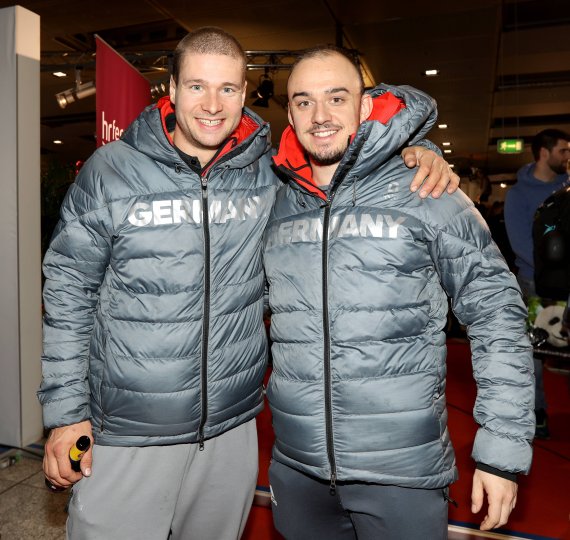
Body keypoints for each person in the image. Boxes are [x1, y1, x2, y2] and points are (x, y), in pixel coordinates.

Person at [38, 28, 458, 540]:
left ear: (244, 93)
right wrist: (65, 415)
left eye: (228, 89)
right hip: (130, 429)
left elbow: (350, 151)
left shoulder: (268, 170)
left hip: (231, 430)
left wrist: (417, 148)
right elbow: (67, 292)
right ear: (169, 89)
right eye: (197, 86)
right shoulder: (112, 172)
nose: (212, 105)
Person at [263, 45, 535, 539]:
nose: (320, 116)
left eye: (336, 98)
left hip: (402, 474)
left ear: (366, 105)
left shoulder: (426, 191)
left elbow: (496, 312)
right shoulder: (278, 201)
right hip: (296, 468)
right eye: (303, 101)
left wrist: (501, 451)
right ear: (289, 112)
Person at [504, 128, 570, 438]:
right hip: (534, 282)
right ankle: (537, 409)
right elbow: (519, 242)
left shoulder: (566, 188)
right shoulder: (519, 194)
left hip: (567, 281)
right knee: (537, 350)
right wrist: (549, 274)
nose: (567, 156)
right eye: (562, 151)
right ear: (544, 153)